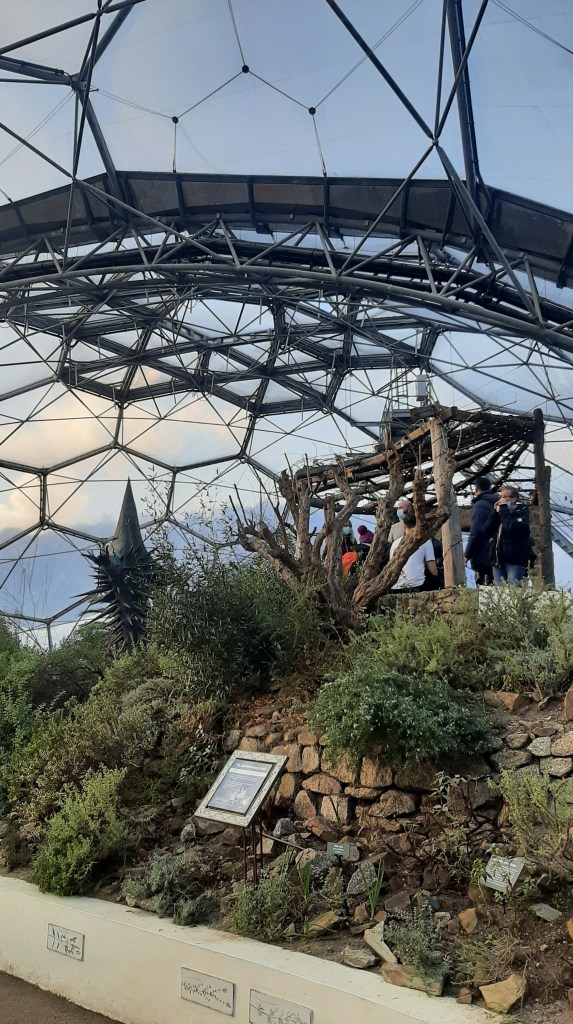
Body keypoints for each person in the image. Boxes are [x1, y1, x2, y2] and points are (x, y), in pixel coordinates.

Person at [389, 513, 438, 592]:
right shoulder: (425, 541)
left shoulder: (395, 543)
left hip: (395, 587)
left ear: (404, 529)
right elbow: (433, 570)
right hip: (417, 585)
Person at [464, 476, 499, 586]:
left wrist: (467, 554)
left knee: (485, 587)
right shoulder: (497, 503)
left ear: (476, 489)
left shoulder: (480, 505)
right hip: (497, 552)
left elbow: (476, 532)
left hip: (484, 554)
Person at [492, 486, 531, 585]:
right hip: (498, 559)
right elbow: (486, 529)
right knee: (498, 592)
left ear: (514, 499)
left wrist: (504, 509)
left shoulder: (522, 511)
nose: (502, 499)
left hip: (514, 560)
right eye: (500, 497)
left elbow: (510, 527)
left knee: (514, 591)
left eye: (505, 497)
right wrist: (495, 513)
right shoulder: (501, 513)